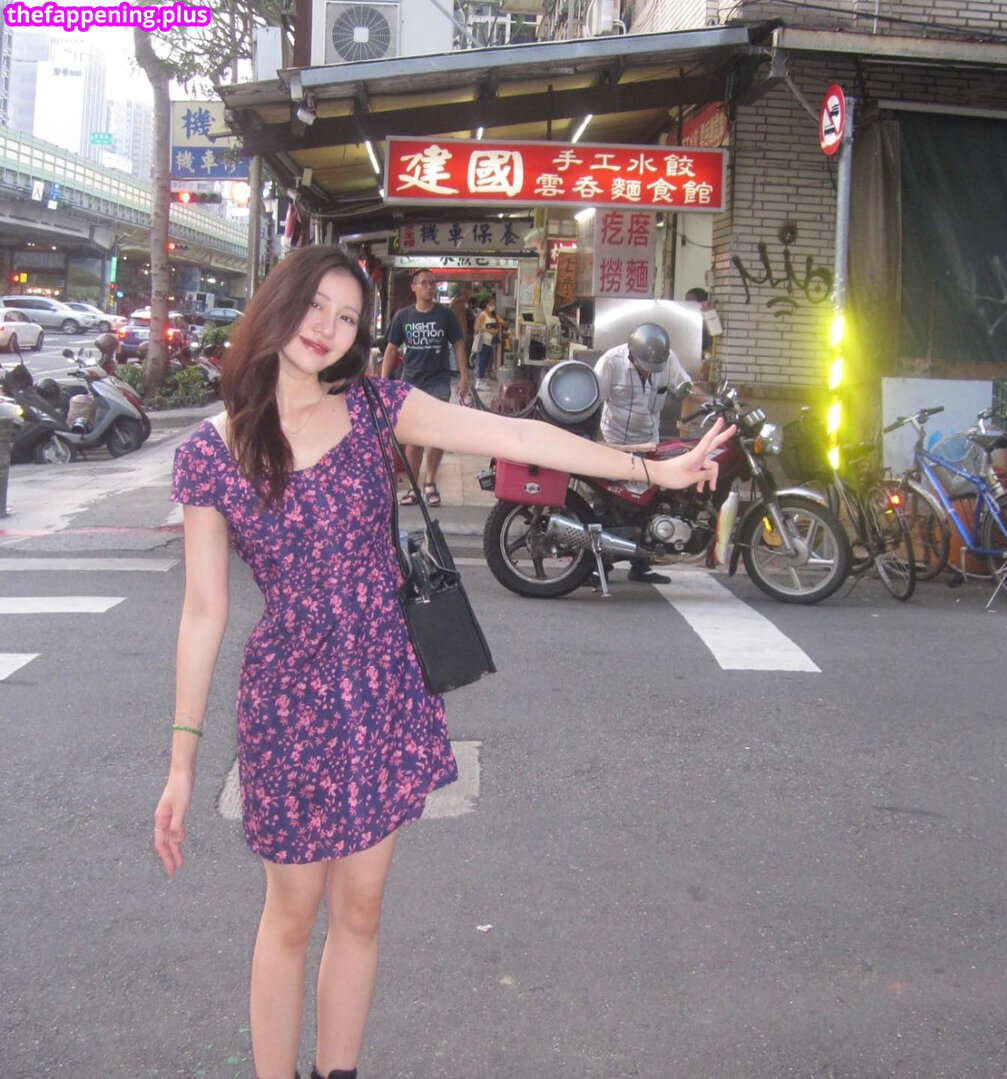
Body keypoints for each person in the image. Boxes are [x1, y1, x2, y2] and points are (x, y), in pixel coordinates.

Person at [153, 244, 734, 1079]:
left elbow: (518, 434)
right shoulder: (213, 452)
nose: (327, 328)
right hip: (286, 701)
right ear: (279, 305)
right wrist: (182, 762)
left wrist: (654, 467)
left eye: (347, 318)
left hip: (383, 684)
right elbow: (203, 611)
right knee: (291, 911)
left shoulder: (378, 408)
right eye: (315, 306)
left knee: (361, 907)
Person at [593, 321, 708, 584]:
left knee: (648, 504)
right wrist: (599, 443)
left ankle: (641, 565)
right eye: (644, 366)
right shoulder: (611, 361)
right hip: (615, 443)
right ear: (632, 353)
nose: (648, 372)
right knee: (607, 506)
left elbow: (686, 388)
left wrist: (711, 403)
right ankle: (598, 567)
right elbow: (594, 402)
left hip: (648, 443)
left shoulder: (667, 360)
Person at [379, 267, 467, 506]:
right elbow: (391, 348)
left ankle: (430, 482)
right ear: (414, 287)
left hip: (439, 381)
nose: (430, 287)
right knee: (414, 437)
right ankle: (413, 487)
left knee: (437, 435)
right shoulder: (403, 316)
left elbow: (458, 344)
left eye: (433, 283)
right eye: (425, 283)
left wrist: (464, 376)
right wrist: (383, 382)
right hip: (411, 382)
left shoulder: (445, 315)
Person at [472, 294, 503, 386]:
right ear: (486, 304)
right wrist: (489, 330)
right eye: (491, 304)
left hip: (490, 342)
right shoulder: (482, 314)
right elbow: (477, 328)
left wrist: (501, 322)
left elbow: (501, 321)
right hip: (484, 341)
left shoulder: (493, 315)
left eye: (494, 304)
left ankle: (482, 379)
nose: (493, 306)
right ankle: (479, 380)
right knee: (482, 360)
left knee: (487, 360)